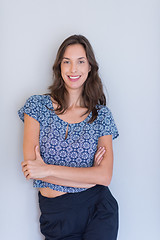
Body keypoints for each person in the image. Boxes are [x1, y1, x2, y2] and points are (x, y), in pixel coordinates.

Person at [18, 34, 119, 240]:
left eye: (81, 61)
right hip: (56, 213)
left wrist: (47, 169)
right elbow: (32, 170)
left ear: (90, 66)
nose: (74, 69)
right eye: (67, 62)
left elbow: (104, 177)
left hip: (99, 209)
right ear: (59, 67)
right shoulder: (37, 106)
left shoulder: (101, 115)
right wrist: (89, 177)